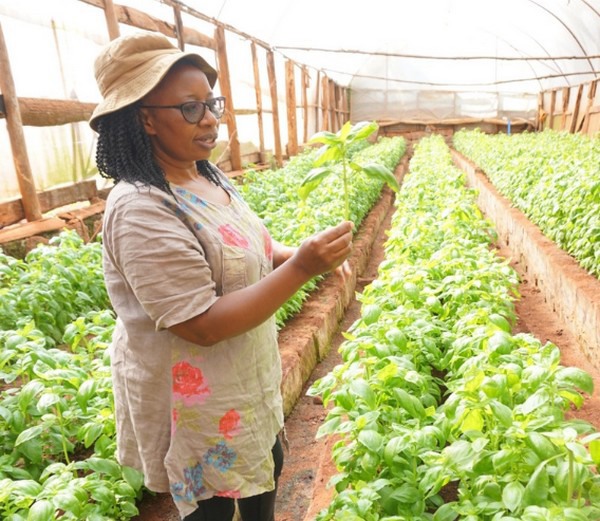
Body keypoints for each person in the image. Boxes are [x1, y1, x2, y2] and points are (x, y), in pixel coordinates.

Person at [89, 30, 353, 521]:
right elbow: (201, 325)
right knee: (212, 510)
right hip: (197, 409)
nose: (210, 119)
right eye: (190, 108)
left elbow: (249, 247)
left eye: (212, 104)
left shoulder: (204, 175)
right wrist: (303, 267)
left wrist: (296, 255)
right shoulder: (140, 207)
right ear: (145, 119)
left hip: (242, 382)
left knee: (267, 472)